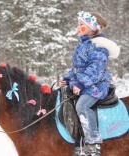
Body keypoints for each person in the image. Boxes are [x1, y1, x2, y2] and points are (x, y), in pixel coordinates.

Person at [60, 11, 120, 156]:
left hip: (96, 86)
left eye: (82, 24)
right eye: (78, 24)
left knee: (82, 105)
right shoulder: (83, 45)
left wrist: (80, 84)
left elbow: (95, 70)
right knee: (65, 100)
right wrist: (68, 78)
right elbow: (77, 68)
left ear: (93, 28)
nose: (78, 27)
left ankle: (93, 142)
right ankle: (78, 141)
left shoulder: (99, 47)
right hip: (84, 83)